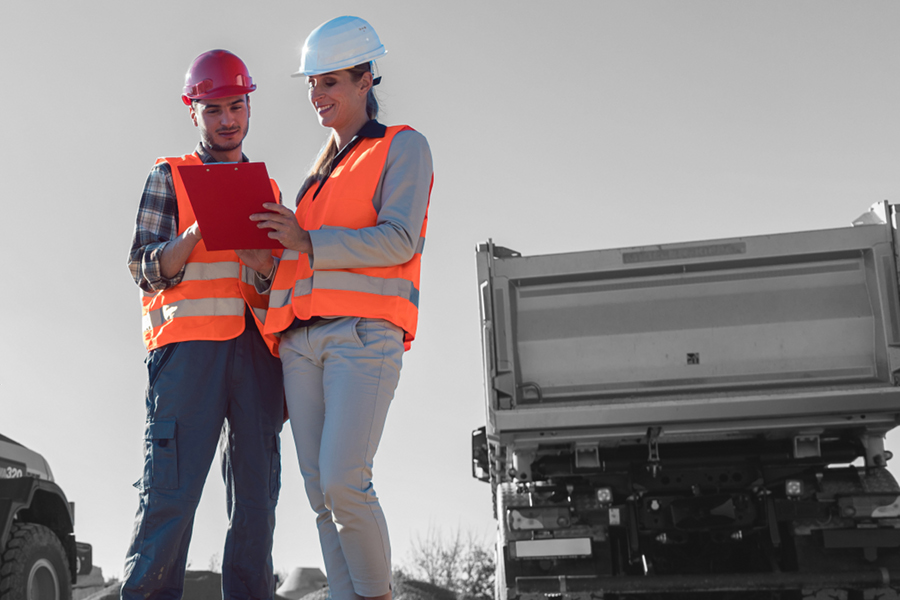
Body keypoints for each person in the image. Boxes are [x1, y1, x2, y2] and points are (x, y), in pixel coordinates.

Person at [247, 15, 433, 600]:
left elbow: (399, 239)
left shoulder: (403, 146)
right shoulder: (313, 174)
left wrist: (306, 241)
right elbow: (302, 263)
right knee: (319, 494)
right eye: (311, 84)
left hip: (362, 338)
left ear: (365, 80)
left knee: (345, 481)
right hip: (300, 345)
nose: (316, 96)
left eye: (329, 82)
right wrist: (266, 262)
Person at [123, 49, 284, 600]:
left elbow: (276, 289)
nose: (227, 119)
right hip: (188, 357)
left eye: (236, 106)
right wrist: (193, 236)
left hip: (257, 360)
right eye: (213, 109)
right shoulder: (170, 176)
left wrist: (263, 270)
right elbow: (143, 267)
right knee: (170, 497)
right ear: (193, 110)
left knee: (257, 505)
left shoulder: (270, 191)